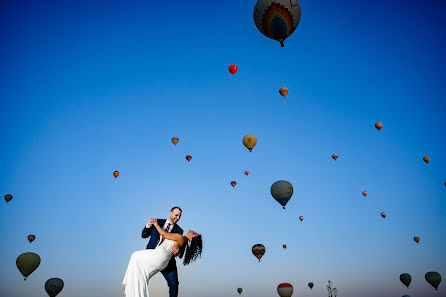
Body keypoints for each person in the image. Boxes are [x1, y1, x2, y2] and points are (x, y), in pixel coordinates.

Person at [122, 207, 202, 297]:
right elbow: (144, 235)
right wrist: (148, 225)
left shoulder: (180, 231)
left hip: (167, 260)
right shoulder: (158, 221)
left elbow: (180, 252)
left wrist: (177, 252)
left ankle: (133, 290)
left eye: (180, 216)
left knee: (174, 284)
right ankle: (134, 291)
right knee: (141, 274)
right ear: (170, 213)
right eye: (176, 215)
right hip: (152, 254)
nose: (178, 218)